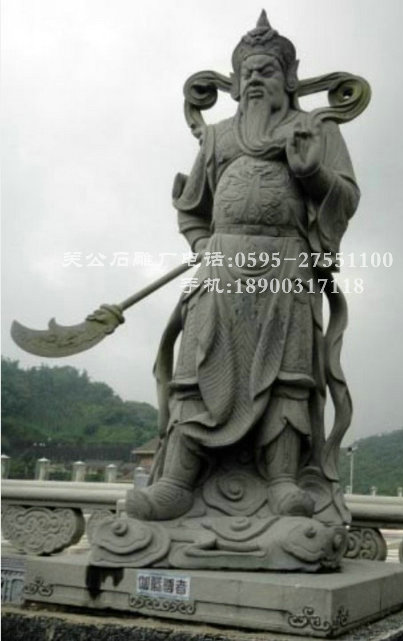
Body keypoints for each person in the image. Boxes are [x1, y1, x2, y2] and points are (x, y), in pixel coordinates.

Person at [126, 12, 360, 524]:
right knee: (197, 367)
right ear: (234, 84)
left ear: (289, 78)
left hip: (286, 268)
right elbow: (192, 210)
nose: (256, 79)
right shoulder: (216, 138)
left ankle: (282, 481)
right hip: (221, 269)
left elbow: (346, 198)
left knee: (287, 375)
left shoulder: (315, 131)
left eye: (267, 70)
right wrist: (205, 245)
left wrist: (312, 174)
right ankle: (176, 482)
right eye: (247, 72)